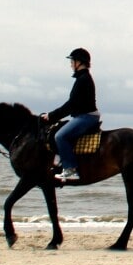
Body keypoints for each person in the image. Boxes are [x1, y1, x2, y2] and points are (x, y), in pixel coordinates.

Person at [41, 48, 99, 184]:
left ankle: (70, 170)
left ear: (79, 62)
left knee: (60, 136)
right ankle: (60, 158)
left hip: (86, 117)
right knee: (58, 130)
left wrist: (51, 116)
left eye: (72, 61)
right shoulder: (82, 78)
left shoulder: (83, 80)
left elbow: (71, 105)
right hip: (83, 115)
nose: (71, 64)